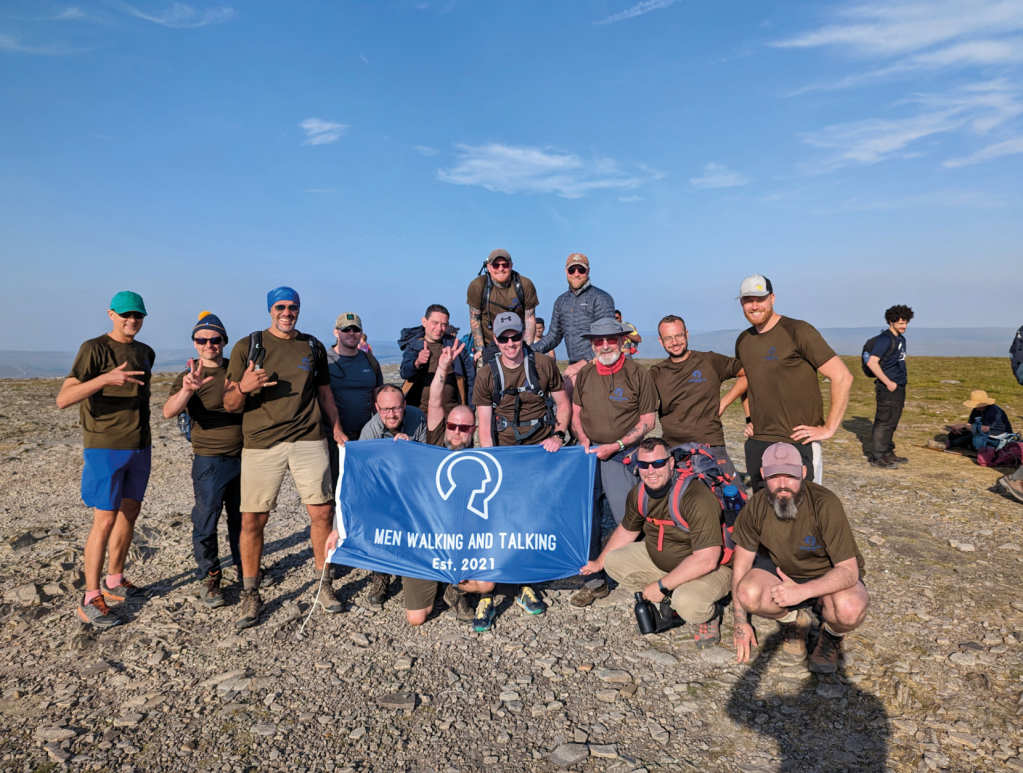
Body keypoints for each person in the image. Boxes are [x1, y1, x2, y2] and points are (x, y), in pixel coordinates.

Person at [325, 341, 490, 627]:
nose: (392, 415)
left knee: (485, 585)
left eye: (397, 409)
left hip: (447, 530)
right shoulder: (371, 433)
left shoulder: (423, 425)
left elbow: (435, 402)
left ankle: (451, 589)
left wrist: (412, 447)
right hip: (411, 521)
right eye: (453, 426)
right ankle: (384, 572)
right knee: (416, 619)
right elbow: (356, 485)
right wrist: (338, 529)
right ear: (377, 409)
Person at [223, 287, 347, 629]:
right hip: (262, 443)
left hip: (308, 438)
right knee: (253, 520)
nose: (287, 312)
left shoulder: (312, 346)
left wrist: (335, 427)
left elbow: (324, 392)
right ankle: (250, 592)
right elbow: (229, 404)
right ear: (270, 309)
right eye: (280, 306)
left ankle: (324, 584)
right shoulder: (248, 346)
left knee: (322, 512)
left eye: (293, 306)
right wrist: (244, 387)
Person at [57, 291, 155, 628]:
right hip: (104, 448)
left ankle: (115, 581)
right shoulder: (93, 349)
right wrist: (104, 379)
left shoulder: (145, 352)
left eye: (138, 316)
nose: (132, 321)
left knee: (130, 513)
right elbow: (64, 398)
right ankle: (90, 596)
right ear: (111, 314)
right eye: (126, 315)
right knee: (104, 520)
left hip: (140, 446)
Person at [731, 443, 869, 673]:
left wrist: (803, 591)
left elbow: (848, 571)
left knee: (849, 609)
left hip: (828, 572)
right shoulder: (754, 506)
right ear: (763, 474)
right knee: (748, 593)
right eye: (775, 476)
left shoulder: (826, 504)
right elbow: (741, 564)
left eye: (791, 476)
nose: (783, 485)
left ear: (803, 473)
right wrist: (740, 622)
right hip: (782, 569)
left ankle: (832, 636)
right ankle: (793, 621)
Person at [581, 437, 732, 647]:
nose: (651, 471)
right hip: (664, 561)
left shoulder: (696, 497)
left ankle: (708, 615)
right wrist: (598, 563)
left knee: (689, 604)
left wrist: (660, 586)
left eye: (658, 463)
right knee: (613, 561)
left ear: (671, 464)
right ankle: (673, 598)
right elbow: (626, 530)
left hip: (713, 568)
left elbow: (707, 560)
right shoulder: (639, 493)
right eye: (644, 464)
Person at [473, 312, 571, 619]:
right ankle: (502, 583)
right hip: (506, 455)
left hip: (541, 450)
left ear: (522, 336)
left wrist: (558, 434)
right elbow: (484, 426)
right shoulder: (487, 373)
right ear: (496, 340)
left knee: (535, 516)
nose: (511, 343)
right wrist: (491, 463)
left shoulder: (542, 364)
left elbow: (563, 404)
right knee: (504, 518)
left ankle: (527, 580)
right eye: (504, 338)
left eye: (515, 336)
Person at [734, 275, 853, 492]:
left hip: (798, 442)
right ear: (741, 303)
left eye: (760, 299)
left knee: (804, 511)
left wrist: (829, 428)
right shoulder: (743, 340)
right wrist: (750, 418)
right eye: (748, 300)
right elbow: (747, 379)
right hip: (759, 441)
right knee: (763, 508)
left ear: (772, 298)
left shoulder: (798, 331)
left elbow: (842, 376)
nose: (754, 306)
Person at [570, 318, 658, 606]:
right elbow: (576, 412)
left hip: (621, 455)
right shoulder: (585, 374)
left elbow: (648, 420)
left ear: (622, 341)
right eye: (598, 341)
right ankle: (593, 582)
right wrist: (582, 437)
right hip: (588, 456)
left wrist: (618, 445)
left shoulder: (638, 373)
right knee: (586, 520)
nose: (605, 345)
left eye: (610, 339)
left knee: (628, 518)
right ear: (592, 344)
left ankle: (643, 579)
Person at [162, 312, 243, 608]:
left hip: (244, 457)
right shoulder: (189, 376)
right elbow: (168, 411)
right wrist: (187, 389)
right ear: (195, 344)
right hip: (209, 460)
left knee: (242, 519)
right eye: (202, 340)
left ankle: (246, 570)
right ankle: (209, 577)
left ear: (224, 341)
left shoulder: (237, 370)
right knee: (207, 521)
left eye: (215, 339)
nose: (209, 344)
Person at [649, 314, 747, 491]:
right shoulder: (656, 373)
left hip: (710, 444)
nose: (675, 342)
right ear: (660, 341)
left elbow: (746, 374)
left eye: (678, 335)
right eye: (668, 338)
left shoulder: (709, 361)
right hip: (674, 449)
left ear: (686, 333)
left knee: (735, 501)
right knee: (681, 505)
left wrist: (724, 403)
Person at [532, 254, 615, 384]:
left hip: (598, 365)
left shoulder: (601, 298)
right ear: (566, 271)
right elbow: (554, 335)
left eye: (581, 270)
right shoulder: (561, 301)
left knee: (568, 392)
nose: (576, 274)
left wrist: (582, 363)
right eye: (572, 270)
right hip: (573, 365)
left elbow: (607, 339)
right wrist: (528, 350)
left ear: (588, 271)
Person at [326, 312, 383, 488]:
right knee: (334, 488)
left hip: (365, 438)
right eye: (345, 329)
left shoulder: (370, 361)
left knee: (363, 485)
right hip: (331, 438)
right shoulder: (324, 362)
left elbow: (378, 397)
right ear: (336, 332)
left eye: (356, 329)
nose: (351, 333)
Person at [398, 304, 475, 415]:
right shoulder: (414, 346)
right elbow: (405, 373)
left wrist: (469, 411)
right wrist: (417, 362)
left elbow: (470, 380)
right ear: (424, 322)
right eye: (435, 323)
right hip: (419, 415)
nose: (439, 328)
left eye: (443, 324)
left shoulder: (456, 346)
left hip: (451, 416)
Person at [466, 249, 539, 366]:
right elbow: (475, 319)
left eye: (505, 265)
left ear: (511, 266)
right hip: (490, 346)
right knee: (486, 380)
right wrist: (480, 349)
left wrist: (528, 347)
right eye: (496, 265)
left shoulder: (525, 285)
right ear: (488, 267)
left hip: (517, 346)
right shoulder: (478, 285)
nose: (501, 269)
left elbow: (529, 318)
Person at [865, 305, 914, 469]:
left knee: (892, 421)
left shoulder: (900, 339)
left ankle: (887, 452)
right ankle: (877, 457)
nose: (904, 325)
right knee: (884, 421)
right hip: (888, 387)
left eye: (905, 322)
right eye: (900, 322)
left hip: (898, 385)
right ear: (890, 321)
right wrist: (888, 382)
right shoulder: (885, 339)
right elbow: (872, 362)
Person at [359, 384, 428, 442]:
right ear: (377, 407)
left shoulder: (418, 417)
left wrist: (409, 445)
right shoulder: (370, 432)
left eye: (396, 408)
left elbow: (426, 451)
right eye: (385, 409)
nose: (391, 415)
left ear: (404, 404)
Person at [947, 390, 1013, 449]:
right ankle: (969, 445)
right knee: (952, 435)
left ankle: (951, 444)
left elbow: (985, 428)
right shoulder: (977, 410)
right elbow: (970, 424)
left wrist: (964, 426)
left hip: (997, 433)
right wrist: (960, 429)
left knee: (974, 435)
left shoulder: (993, 411)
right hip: (981, 430)